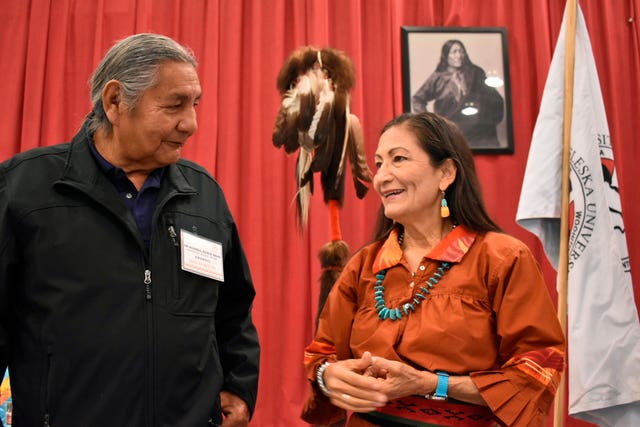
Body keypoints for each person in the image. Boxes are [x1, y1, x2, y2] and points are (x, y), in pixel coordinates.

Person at [0, 33, 259, 427]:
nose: (191, 123)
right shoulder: (24, 188)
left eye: (194, 104)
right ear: (115, 101)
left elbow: (233, 310)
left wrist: (240, 386)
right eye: (174, 105)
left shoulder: (204, 195)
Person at [300, 112, 565, 427]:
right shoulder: (364, 266)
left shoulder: (502, 258)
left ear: (446, 173)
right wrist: (328, 375)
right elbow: (321, 355)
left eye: (398, 159)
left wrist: (431, 383)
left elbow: (537, 369)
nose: (381, 177)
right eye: (379, 163)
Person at [412, 40, 505, 149]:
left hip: (477, 134)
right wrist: (430, 124)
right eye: (454, 52)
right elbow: (417, 99)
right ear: (446, 55)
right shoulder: (437, 78)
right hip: (450, 134)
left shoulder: (476, 73)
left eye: (461, 51)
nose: (459, 55)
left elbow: (494, 99)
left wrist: (486, 121)